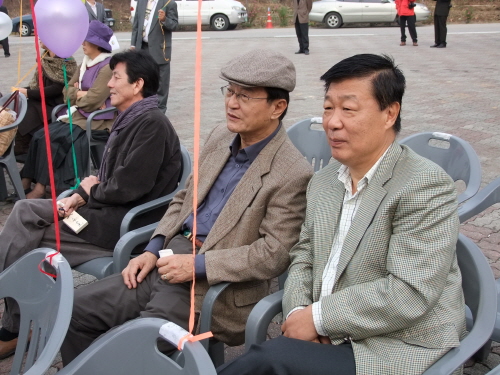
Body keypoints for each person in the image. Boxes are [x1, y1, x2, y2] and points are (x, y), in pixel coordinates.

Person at [59, 49, 314, 365]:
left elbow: (272, 254)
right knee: (75, 310)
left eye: (245, 97)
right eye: (229, 92)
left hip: (213, 286)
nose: (231, 103)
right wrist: (153, 248)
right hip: (168, 258)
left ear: (278, 107)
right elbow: (184, 198)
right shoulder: (221, 136)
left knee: (135, 344)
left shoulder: (291, 171)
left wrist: (195, 266)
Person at [217, 54, 465, 375]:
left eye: (348, 109)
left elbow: (409, 291)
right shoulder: (324, 180)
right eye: (328, 107)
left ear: (390, 113)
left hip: (394, 346)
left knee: (269, 361)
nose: (333, 122)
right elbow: (303, 254)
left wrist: (319, 318)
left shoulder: (424, 185)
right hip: (326, 336)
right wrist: (297, 314)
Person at [0, 49, 182, 360]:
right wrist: (79, 193)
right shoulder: (130, 118)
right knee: (24, 211)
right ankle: (19, 321)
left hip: (119, 223)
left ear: (138, 85)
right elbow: (103, 178)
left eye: (116, 77)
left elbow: (126, 187)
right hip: (98, 210)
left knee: (26, 238)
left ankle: (17, 327)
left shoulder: (151, 124)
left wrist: (88, 191)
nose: (109, 84)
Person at [21, 20, 115, 198]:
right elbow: (66, 91)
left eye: (85, 41)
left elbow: (93, 100)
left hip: (97, 120)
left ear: (96, 44)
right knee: (41, 134)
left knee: (54, 138)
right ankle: (27, 178)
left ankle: (40, 187)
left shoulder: (106, 67)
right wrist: (81, 93)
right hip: (78, 114)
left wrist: (79, 95)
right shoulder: (85, 63)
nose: (82, 44)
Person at [12, 40, 77, 155]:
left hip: (57, 103)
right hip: (43, 100)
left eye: (42, 36)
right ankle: (23, 144)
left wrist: (28, 92)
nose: (39, 39)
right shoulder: (45, 58)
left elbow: (57, 88)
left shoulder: (66, 61)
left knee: (30, 106)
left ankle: (25, 146)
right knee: (20, 103)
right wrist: (22, 91)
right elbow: (38, 85)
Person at [131, 0, 178, 112]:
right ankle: (144, 109)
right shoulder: (141, 2)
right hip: (142, 48)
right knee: (142, 80)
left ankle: (160, 111)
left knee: (161, 83)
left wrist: (164, 20)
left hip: (160, 50)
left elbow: (175, 25)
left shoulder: (169, 3)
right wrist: (133, 44)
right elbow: (136, 25)